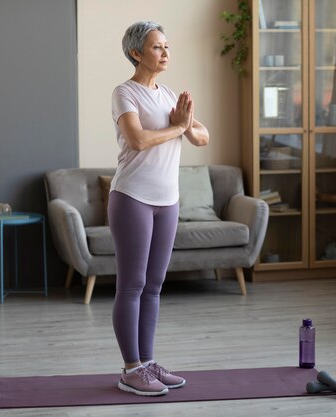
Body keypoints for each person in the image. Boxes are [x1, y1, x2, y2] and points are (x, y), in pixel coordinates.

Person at [109, 21, 209, 396]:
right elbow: (137, 140)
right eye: (156, 47)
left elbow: (202, 135)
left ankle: (147, 364)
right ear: (137, 53)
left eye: (167, 47)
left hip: (168, 201)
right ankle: (130, 369)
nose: (165, 53)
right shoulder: (125, 93)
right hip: (132, 198)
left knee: (154, 286)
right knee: (132, 285)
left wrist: (183, 125)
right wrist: (178, 127)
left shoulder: (168, 93)